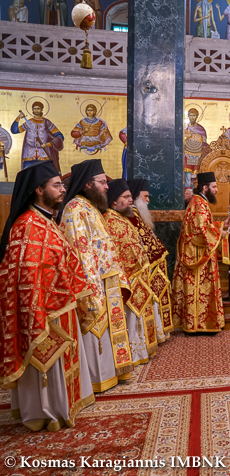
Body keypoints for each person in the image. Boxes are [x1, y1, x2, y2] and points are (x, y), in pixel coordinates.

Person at [0, 161, 94, 431]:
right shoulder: (26, 225)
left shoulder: (47, 221)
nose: (63, 189)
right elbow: (24, 276)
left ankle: (62, 407)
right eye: (56, 185)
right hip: (43, 311)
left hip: (60, 305)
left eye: (62, 185)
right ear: (38, 190)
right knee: (45, 365)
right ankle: (46, 412)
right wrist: (37, 308)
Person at [58, 159, 134, 392]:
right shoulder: (75, 209)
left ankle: (111, 373)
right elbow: (80, 253)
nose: (107, 186)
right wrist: (92, 290)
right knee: (95, 331)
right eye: (102, 182)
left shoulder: (91, 208)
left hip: (107, 282)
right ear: (87, 184)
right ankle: (97, 379)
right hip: (93, 284)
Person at [103, 180, 158, 365]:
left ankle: (139, 352)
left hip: (137, 276)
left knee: (137, 318)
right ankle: (133, 354)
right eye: (126, 197)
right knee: (131, 319)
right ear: (114, 201)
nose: (130, 200)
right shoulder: (110, 220)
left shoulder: (122, 218)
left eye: (129, 196)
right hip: (128, 279)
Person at [173, 172, 229, 333]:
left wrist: (221, 225)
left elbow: (205, 225)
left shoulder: (200, 202)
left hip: (198, 252)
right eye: (214, 187)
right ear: (205, 188)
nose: (216, 190)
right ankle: (198, 325)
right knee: (197, 290)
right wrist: (220, 233)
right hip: (197, 255)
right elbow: (200, 231)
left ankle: (201, 324)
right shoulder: (198, 203)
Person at [127, 179, 173, 341]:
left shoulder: (138, 215)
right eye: (145, 196)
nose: (148, 200)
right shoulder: (132, 216)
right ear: (135, 197)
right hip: (144, 269)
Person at [11, 101, 64, 171]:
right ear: (32, 110)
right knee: (28, 174)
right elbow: (14, 130)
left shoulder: (47, 123)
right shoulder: (29, 122)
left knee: (44, 175)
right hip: (29, 154)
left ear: (41, 110)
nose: (36, 110)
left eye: (38, 109)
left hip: (44, 154)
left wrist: (48, 144)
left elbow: (60, 136)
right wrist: (18, 118)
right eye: (34, 109)